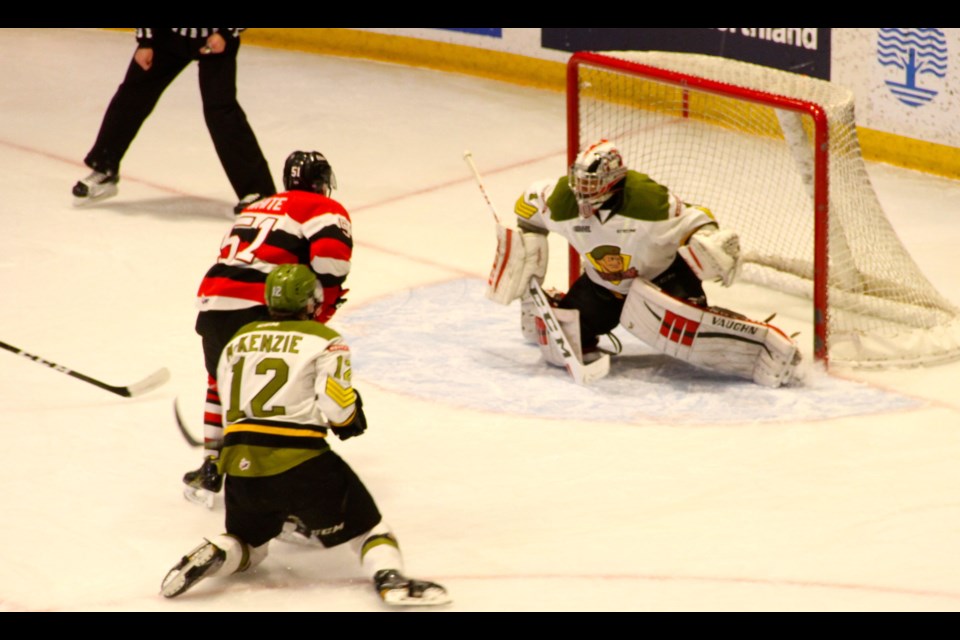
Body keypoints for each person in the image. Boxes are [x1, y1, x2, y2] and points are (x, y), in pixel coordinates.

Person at [161, 264, 450, 606]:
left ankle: (218, 550)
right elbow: (337, 409)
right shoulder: (325, 340)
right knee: (368, 529)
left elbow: (223, 398)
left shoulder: (237, 340)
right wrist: (350, 416)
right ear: (310, 301)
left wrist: (215, 456)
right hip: (301, 460)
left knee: (248, 546)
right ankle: (390, 578)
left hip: (240, 464)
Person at [486, 138, 800, 387]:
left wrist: (708, 238)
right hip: (602, 287)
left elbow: (694, 219)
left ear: (613, 181)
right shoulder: (560, 200)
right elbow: (528, 211)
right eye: (580, 182)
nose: (583, 192)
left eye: (592, 185)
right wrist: (528, 247)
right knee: (567, 338)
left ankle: (742, 332)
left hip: (660, 280)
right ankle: (543, 313)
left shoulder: (648, 201)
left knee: (693, 325)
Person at [182, 150, 352, 502]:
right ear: (321, 181)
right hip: (260, 304)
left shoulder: (259, 206)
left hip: (213, 300)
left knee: (221, 381)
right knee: (275, 390)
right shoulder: (321, 207)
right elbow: (332, 259)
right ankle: (277, 480)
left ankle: (212, 462)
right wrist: (325, 307)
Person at [72, 28, 275, 214]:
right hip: (168, 36)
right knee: (132, 95)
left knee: (221, 110)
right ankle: (104, 166)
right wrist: (145, 42)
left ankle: (258, 191)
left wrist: (225, 33)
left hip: (216, 37)